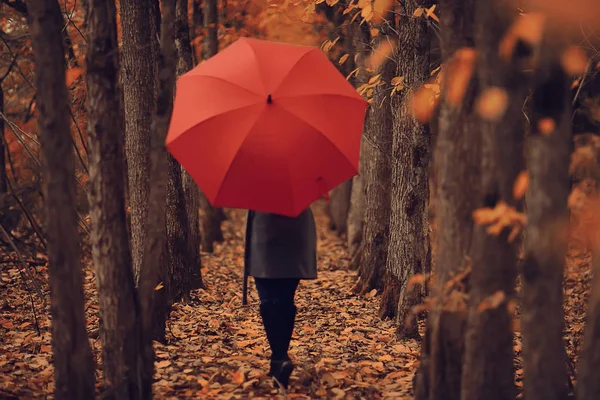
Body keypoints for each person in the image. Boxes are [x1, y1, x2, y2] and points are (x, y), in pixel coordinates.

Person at [242, 207, 317, 389]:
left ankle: (279, 358)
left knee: (268, 300)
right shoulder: (299, 186)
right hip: (297, 237)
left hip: (265, 236)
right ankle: (280, 359)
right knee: (285, 300)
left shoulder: (257, 188)